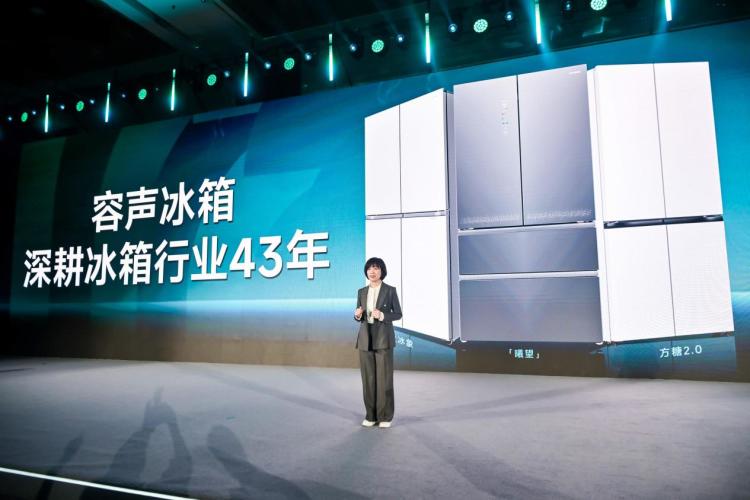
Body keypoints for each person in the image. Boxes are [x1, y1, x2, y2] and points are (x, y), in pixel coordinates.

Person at [354, 257, 402, 428]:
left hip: (383, 338)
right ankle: (371, 415)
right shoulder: (361, 292)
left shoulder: (390, 290)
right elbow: (359, 314)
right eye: (369, 269)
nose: (372, 272)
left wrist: (382, 315)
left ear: (382, 271)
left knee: (384, 379)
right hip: (365, 338)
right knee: (368, 380)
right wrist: (357, 315)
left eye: (376, 268)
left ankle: (385, 416)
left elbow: (398, 314)